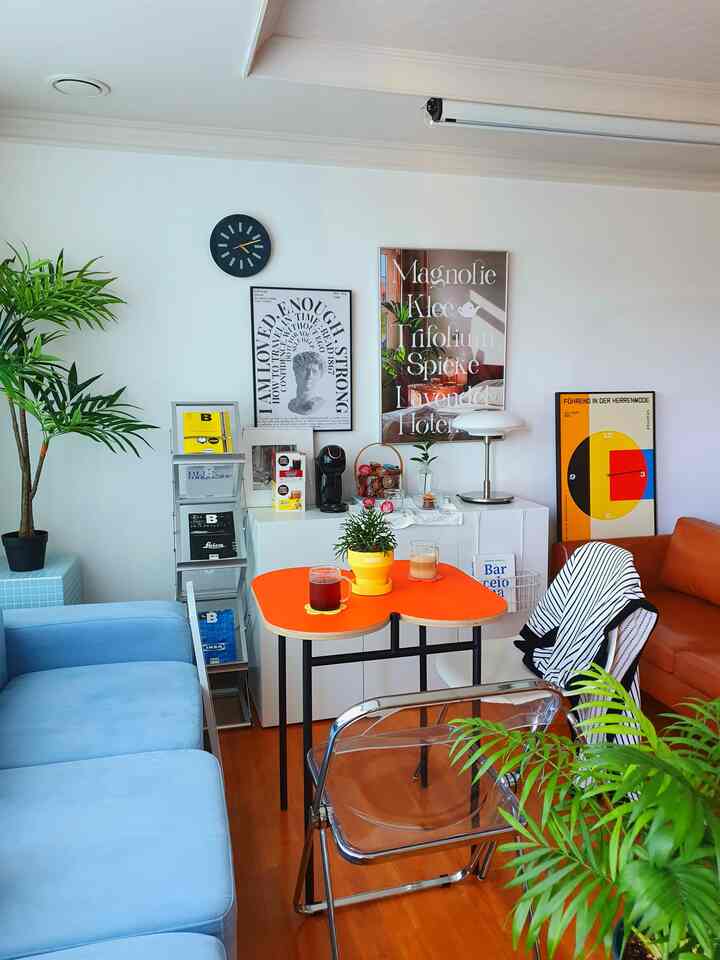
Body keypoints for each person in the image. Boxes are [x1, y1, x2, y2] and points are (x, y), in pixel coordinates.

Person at [288, 350, 326, 415]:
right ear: (296, 373)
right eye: (304, 370)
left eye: (314, 371)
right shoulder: (291, 404)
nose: (309, 376)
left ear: (320, 375)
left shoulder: (321, 406)